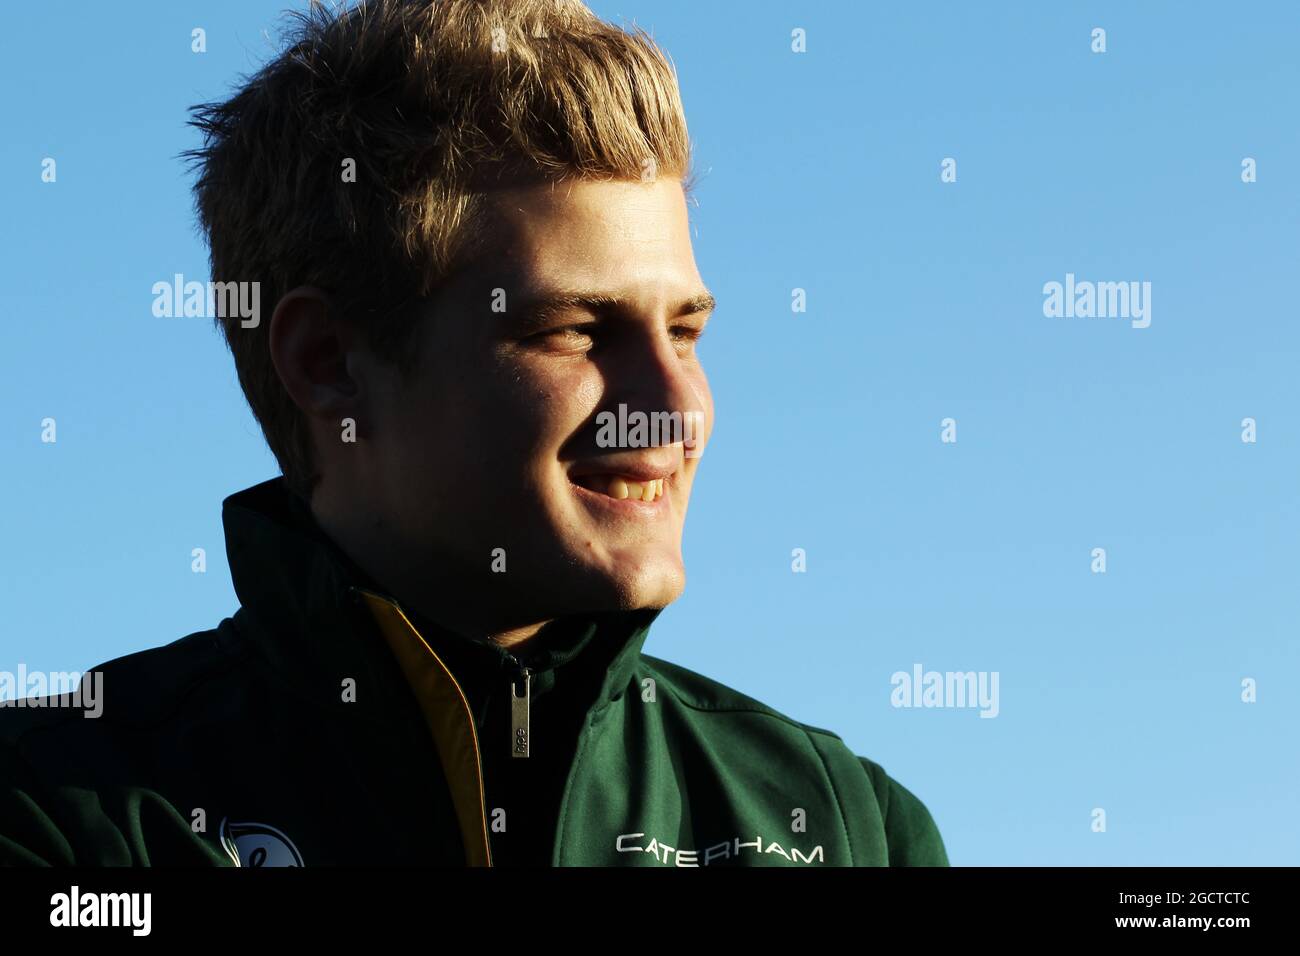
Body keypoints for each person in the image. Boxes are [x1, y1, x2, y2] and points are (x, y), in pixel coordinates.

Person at [0, 0, 948, 867]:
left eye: (686, 331)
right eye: (575, 330)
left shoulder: (844, 823)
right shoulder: (64, 816)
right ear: (327, 360)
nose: (676, 405)